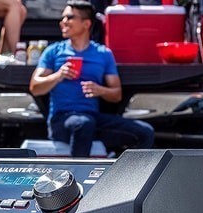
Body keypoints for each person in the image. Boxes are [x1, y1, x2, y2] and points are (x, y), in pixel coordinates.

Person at [29, 0, 154, 157]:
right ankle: (75, 172)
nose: (63, 22)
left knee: (145, 132)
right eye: (63, 18)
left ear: (86, 24)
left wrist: (100, 90)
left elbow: (116, 95)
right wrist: (58, 75)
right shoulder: (53, 51)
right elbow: (35, 87)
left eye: (69, 17)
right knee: (83, 124)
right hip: (61, 120)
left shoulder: (103, 54)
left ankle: (131, 172)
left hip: (92, 119)